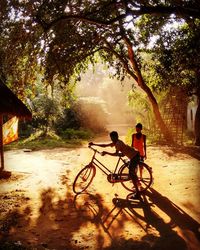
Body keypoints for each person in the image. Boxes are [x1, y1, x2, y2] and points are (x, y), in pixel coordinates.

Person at [89, 131, 141, 199]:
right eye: (111, 138)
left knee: (131, 173)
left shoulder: (118, 143)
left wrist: (107, 152)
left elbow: (116, 154)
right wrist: (94, 144)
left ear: (116, 137)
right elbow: (105, 145)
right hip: (133, 154)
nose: (112, 139)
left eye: (113, 137)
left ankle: (137, 194)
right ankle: (138, 183)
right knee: (132, 171)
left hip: (134, 156)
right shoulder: (116, 142)